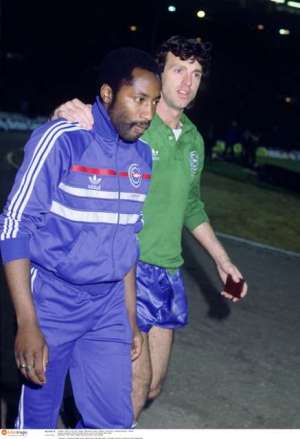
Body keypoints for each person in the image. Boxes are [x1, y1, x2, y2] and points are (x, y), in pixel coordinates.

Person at [52, 35, 248, 421]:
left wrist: (222, 261)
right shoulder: (132, 123)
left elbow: (191, 205)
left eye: (196, 73)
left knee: (153, 383)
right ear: (159, 74)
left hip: (167, 273)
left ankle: (83, 384)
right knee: (131, 393)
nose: (187, 82)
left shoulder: (193, 139)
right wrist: (63, 112)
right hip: (128, 270)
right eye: (178, 70)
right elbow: (81, 135)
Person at [0, 47, 161, 429]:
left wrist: (129, 318)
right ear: (107, 93)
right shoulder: (62, 140)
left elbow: (125, 243)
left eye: (153, 102)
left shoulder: (143, 157)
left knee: (113, 426)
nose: (148, 113)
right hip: (52, 303)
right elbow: (13, 226)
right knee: (36, 424)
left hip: (107, 309)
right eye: (138, 100)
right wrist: (27, 321)